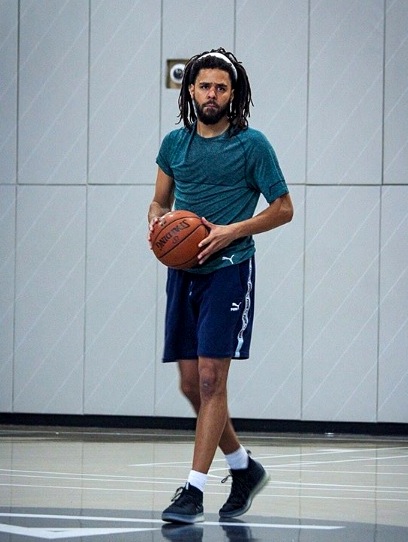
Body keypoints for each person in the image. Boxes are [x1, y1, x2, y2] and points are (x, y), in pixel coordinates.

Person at [148, 47, 293, 524]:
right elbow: (159, 202)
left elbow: (283, 208)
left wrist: (234, 229)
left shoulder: (253, 145)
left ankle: (193, 491)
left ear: (234, 94)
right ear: (190, 90)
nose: (212, 94)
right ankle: (242, 466)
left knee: (212, 380)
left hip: (230, 270)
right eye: (205, 86)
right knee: (191, 385)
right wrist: (157, 225)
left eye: (221, 88)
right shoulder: (174, 144)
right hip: (183, 272)